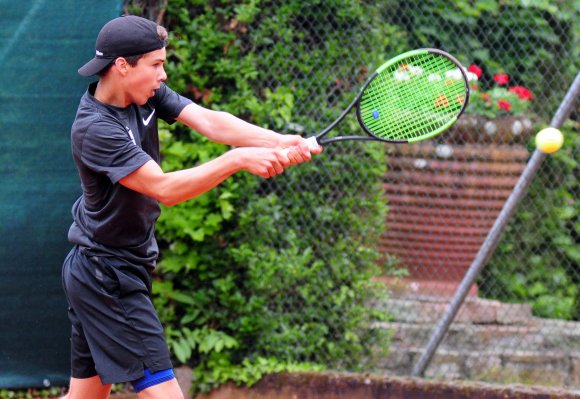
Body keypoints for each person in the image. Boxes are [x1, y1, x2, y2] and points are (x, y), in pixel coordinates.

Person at [61, 15, 321, 399]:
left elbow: (211, 122)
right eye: (156, 64)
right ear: (121, 66)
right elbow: (163, 188)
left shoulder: (145, 94)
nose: (163, 75)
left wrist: (280, 141)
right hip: (107, 276)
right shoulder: (96, 128)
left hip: (104, 266)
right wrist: (236, 160)